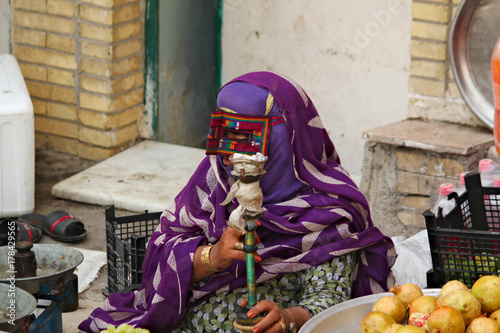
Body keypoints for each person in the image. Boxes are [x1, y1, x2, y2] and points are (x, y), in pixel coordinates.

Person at [79, 71, 396, 333]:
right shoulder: (214, 180)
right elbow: (163, 251)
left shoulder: (330, 210)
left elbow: (331, 300)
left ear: (286, 138)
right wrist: (211, 256)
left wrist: (288, 319)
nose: (228, 154)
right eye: (223, 134)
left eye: (244, 136)